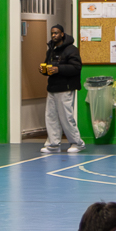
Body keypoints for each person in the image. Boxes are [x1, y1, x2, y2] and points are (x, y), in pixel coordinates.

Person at [38, 25, 85, 154]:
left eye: (56, 33)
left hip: (66, 88)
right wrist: (44, 71)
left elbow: (76, 67)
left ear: (62, 34)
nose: (54, 35)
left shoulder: (71, 50)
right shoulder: (51, 50)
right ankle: (53, 145)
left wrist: (59, 69)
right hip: (53, 87)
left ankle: (77, 143)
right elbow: (49, 66)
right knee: (51, 116)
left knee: (66, 117)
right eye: (52, 33)